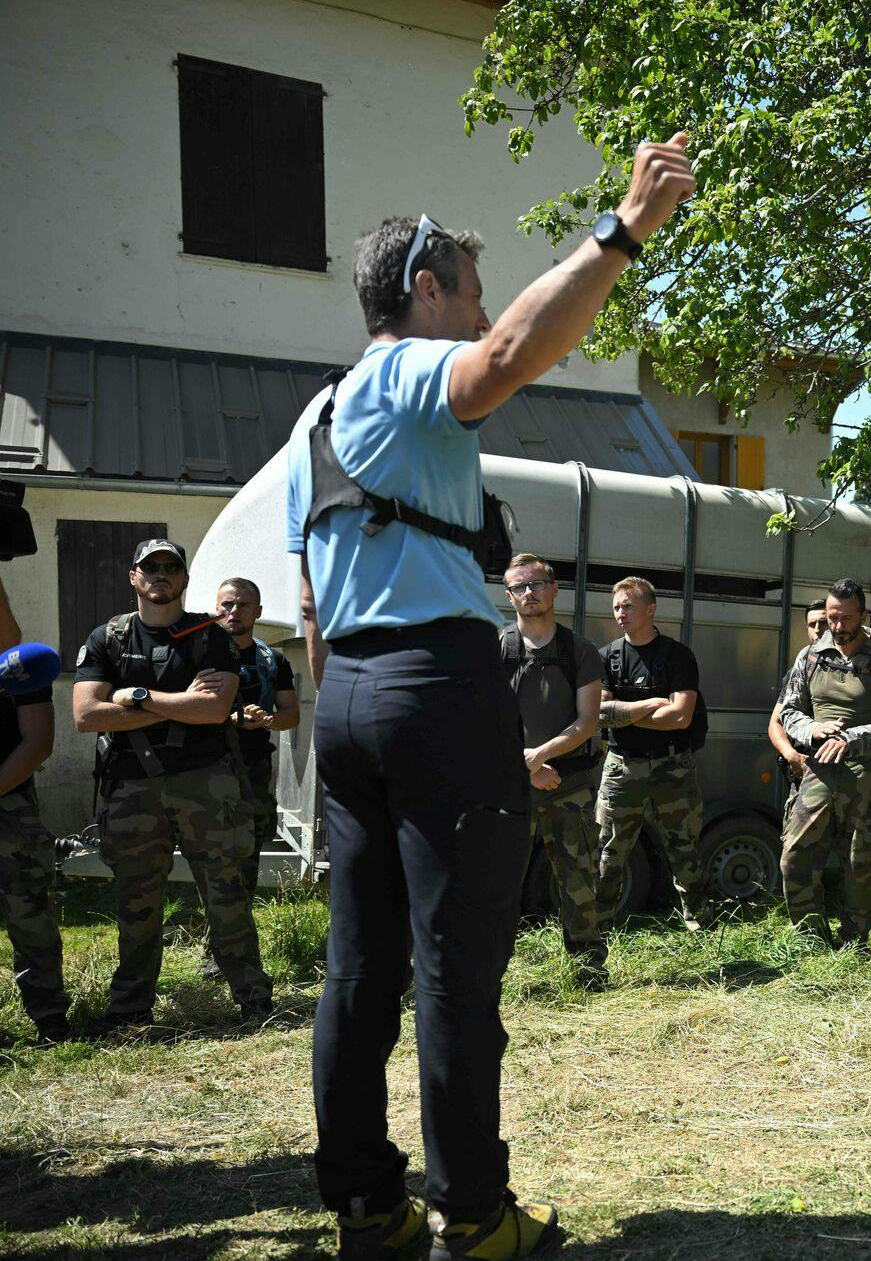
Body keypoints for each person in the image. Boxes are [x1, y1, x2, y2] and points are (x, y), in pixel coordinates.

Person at [288, 134, 693, 1257]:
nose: (477, 312)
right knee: (457, 971)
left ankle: (364, 1201)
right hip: (431, 683)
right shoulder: (411, 374)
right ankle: (473, 1217)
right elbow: (512, 351)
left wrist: (358, 712)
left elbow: (314, 606)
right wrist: (624, 227)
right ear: (423, 288)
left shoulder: (310, 421)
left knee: (357, 967)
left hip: (351, 696)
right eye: (465, 289)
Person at [71, 537, 271, 1033]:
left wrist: (137, 697)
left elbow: (211, 709)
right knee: (136, 903)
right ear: (134, 578)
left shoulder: (211, 635)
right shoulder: (108, 638)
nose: (160, 574)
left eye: (170, 567)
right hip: (132, 787)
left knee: (226, 897)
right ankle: (131, 1008)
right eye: (150, 567)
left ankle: (253, 1001)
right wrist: (176, 701)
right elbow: (85, 715)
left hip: (206, 784)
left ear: (183, 579)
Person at [776, 578, 871, 948]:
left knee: (858, 864)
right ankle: (809, 938)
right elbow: (788, 712)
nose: (836, 626)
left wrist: (851, 739)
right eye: (832, 617)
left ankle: (854, 942)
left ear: (863, 616)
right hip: (818, 772)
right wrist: (814, 729)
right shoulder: (811, 656)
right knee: (795, 855)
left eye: (846, 618)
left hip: (866, 776)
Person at [500, 554, 605, 983]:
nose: (530, 593)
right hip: (509, 787)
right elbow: (482, 722)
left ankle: (588, 971)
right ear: (509, 596)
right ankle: (489, 975)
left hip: (569, 785)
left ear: (554, 588)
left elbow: (588, 721)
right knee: (499, 885)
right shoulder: (498, 650)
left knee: (578, 881)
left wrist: (539, 756)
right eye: (520, 587)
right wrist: (528, 768)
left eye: (537, 584)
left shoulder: (579, 651)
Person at [596, 576, 707, 931]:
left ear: (651, 609)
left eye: (628, 605)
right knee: (608, 854)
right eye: (616, 607)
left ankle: (699, 924)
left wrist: (624, 713)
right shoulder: (607, 657)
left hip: (672, 767)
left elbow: (679, 717)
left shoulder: (678, 656)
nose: (620, 613)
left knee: (685, 850)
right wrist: (648, 705)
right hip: (622, 768)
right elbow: (600, 714)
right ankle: (596, 931)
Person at [212, 578, 300, 903]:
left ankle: (234, 940)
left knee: (247, 853)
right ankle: (214, 936)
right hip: (207, 767)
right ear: (216, 608)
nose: (234, 611)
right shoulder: (200, 655)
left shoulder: (271, 660)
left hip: (253, 771)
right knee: (210, 856)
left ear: (258, 611)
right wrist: (231, 719)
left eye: (243, 605)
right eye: (227, 604)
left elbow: (291, 713)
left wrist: (268, 720)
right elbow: (183, 708)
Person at [0, 640, 65, 1044]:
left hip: (11, 802)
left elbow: (38, 742)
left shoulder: (19, 664)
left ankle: (49, 1017)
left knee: (28, 911)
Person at [769, 599, 830, 812]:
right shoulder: (801, 669)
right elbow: (776, 723)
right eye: (812, 624)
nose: (818, 630)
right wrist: (792, 756)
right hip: (806, 775)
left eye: (823, 623)